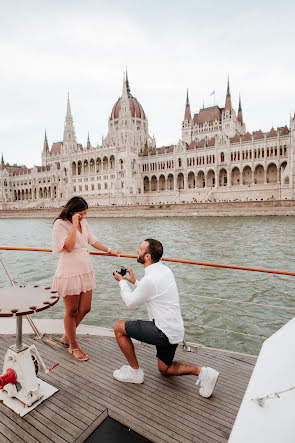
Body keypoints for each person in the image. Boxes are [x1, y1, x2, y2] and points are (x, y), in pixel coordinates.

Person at [112, 238, 219, 398]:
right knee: (164, 369)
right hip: (174, 330)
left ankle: (135, 372)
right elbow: (153, 290)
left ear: (147, 256)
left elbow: (130, 302)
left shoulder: (150, 279)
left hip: (162, 330)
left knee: (119, 327)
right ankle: (203, 372)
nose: (137, 250)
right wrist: (135, 282)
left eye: (140, 248)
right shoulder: (164, 270)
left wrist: (122, 282)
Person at [52, 196, 120, 361]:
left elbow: (93, 240)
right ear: (73, 211)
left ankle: (68, 336)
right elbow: (67, 246)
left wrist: (109, 250)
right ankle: (73, 346)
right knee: (72, 310)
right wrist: (74, 225)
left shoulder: (84, 223)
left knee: (86, 308)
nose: (83, 217)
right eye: (81, 214)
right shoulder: (60, 224)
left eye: (84, 214)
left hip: (85, 270)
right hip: (70, 271)